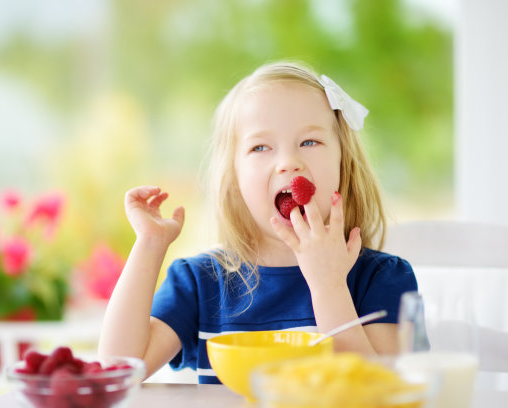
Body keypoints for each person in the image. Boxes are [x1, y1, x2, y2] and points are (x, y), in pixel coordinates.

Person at [98, 61, 417, 383]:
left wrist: (329, 286)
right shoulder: (199, 283)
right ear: (235, 180)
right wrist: (150, 245)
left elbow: (378, 389)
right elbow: (117, 372)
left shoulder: (382, 278)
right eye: (260, 147)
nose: (288, 163)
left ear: (343, 163)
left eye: (309, 142)